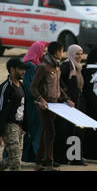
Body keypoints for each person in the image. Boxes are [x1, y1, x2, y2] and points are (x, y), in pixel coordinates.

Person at [30, 41, 75, 171]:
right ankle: (49, 164)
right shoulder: (43, 67)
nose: (62, 54)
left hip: (55, 106)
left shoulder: (56, 67)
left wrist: (66, 98)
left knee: (47, 133)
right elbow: (33, 87)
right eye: (61, 51)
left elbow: (58, 88)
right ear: (56, 52)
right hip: (44, 106)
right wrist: (41, 100)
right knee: (50, 132)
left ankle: (38, 163)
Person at [54, 44, 85, 165]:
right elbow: (58, 80)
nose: (80, 56)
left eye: (81, 54)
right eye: (77, 54)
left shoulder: (78, 67)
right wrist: (66, 96)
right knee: (64, 131)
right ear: (71, 53)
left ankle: (75, 158)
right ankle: (60, 158)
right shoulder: (66, 66)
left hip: (76, 103)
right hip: (66, 104)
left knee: (76, 131)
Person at [0, 58, 29, 171]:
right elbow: (1, 110)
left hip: (19, 127)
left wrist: (24, 127)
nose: (24, 72)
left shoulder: (21, 86)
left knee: (13, 158)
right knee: (16, 163)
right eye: (21, 69)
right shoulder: (5, 88)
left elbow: (23, 107)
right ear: (12, 70)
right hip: (9, 126)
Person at [21, 41, 47, 163]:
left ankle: (29, 157)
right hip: (34, 104)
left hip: (35, 103)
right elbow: (30, 86)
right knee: (36, 131)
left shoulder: (35, 64)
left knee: (32, 131)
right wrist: (40, 99)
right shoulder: (31, 66)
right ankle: (40, 159)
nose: (45, 53)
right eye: (43, 51)